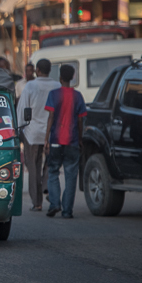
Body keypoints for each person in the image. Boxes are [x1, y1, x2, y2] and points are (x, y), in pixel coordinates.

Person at [17, 59, 61, 211]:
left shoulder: (30, 86)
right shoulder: (57, 85)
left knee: (33, 166)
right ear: (49, 70)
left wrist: (19, 127)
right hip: (52, 133)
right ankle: (46, 186)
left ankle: (37, 202)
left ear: (38, 71)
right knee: (51, 164)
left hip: (32, 133)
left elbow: (23, 109)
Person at [43, 64, 87, 218]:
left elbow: (51, 117)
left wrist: (46, 140)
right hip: (72, 141)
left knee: (53, 171)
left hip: (55, 139)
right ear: (72, 77)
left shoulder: (54, 94)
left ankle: (55, 204)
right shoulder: (78, 96)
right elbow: (81, 121)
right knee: (71, 176)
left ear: (60, 78)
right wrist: (80, 139)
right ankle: (67, 211)